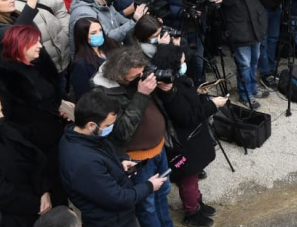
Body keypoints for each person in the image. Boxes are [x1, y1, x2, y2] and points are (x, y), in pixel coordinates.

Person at [0, 25, 72, 209]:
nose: (40, 46)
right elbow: (5, 124)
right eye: (34, 42)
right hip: (38, 148)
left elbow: (52, 93)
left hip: (59, 136)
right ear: (19, 45)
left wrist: (63, 104)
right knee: (55, 193)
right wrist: (36, 132)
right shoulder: (4, 84)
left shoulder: (39, 65)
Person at [90, 46, 175, 227]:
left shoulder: (139, 77)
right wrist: (142, 94)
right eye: (136, 76)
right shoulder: (104, 93)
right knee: (147, 206)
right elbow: (122, 132)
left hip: (159, 149)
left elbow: (162, 106)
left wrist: (165, 90)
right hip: (137, 160)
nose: (141, 77)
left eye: (142, 72)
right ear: (120, 76)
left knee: (162, 194)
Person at [58, 89, 166, 227]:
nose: (111, 129)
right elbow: (118, 199)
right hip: (112, 221)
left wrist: (120, 162)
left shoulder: (84, 137)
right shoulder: (84, 162)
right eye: (108, 126)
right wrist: (149, 186)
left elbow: (104, 155)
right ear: (91, 125)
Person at [148, 42, 225, 226]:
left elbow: (189, 103)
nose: (185, 64)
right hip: (185, 144)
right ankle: (192, 213)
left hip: (194, 139)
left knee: (194, 174)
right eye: (181, 62)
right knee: (188, 179)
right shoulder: (168, 91)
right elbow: (187, 117)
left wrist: (198, 92)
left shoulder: (176, 81)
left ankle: (197, 202)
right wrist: (212, 105)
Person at [0, 92, 52, 227]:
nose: (1, 116)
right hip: (14, 212)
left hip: (36, 193)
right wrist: (37, 205)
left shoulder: (4, 129)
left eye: (0, 111)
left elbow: (33, 157)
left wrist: (44, 191)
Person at [69, 0, 146, 50]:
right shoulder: (84, 13)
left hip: (112, 50)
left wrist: (141, 20)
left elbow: (122, 21)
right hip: (93, 55)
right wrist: (134, 21)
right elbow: (107, 38)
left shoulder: (106, 4)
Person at [69, 17, 119, 101]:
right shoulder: (81, 64)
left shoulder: (110, 45)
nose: (99, 34)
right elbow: (83, 94)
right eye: (93, 33)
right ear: (83, 36)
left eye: (100, 30)